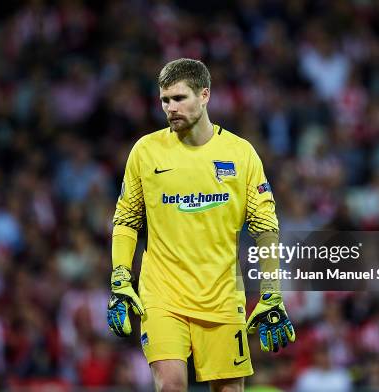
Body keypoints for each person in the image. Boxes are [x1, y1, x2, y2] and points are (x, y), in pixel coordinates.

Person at [107, 58, 296, 392]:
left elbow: (265, 226)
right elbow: (126, 219)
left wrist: (271, 293)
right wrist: (121, 277)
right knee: (171, 385)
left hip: (222, 296)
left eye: (179, 98)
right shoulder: (145, 152)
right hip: (162, 294)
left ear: (204, 95)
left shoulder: (241, 154)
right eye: (165, 100)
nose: (170, 108)